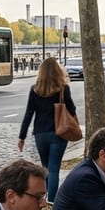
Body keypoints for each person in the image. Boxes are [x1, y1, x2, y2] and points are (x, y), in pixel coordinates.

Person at [18, 57, 76, 197]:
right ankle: (51, 201)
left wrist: (22, 136)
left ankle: (47, 197)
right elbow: (72, 109)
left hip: (40, 133)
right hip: (59, 133)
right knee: (54, 168)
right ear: (57, 71)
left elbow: (28, 114)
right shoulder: (63, 89)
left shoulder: (35, 90)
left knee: (46, 167)